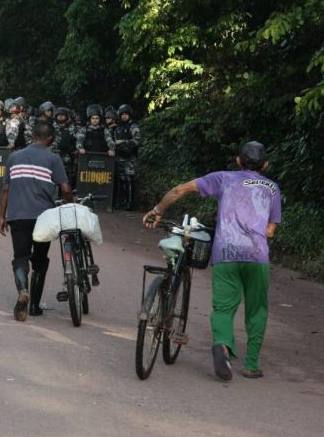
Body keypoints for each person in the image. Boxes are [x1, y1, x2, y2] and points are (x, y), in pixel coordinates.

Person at [143, 141, 281, 381]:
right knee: (256, 309)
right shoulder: (272, 188)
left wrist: (158, 210)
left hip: (226, 253)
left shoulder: (224, 178)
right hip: (256, 256)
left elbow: (180, 190)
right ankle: (251, 365)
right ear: (265, 164)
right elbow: (270, 231)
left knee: (223, 307)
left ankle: (223, 346)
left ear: (238, 161)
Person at [0, 122, 73, 322]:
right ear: (50, 139)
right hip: (43, 218)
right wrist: (70, 205)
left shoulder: (14, 157)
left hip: (18, 216)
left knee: (20, 258)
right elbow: (65, 189)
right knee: (40, 260)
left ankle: (23, 291)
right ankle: (34, 306)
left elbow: (5, 189)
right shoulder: (53, 159)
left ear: (33, 135)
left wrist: (1, 217)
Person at [113, 104, 141, 210]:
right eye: (122, 114)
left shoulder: (133, 126)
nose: (124, 116)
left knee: (129, 178)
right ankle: (122, 201)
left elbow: (137, 140)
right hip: (119, 155)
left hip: (129, 156)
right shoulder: (118, 128)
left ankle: (130, 203)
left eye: (126, 114)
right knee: (121, 179)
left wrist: (124, 142)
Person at [51, 106, 78, 188]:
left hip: (67, 156)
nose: (60, 116)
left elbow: (78, 140)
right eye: (59, 115)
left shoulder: (72, 128)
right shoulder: (52, 127)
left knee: (66, 178)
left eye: (63, 115)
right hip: (53, 155)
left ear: (67, 116)